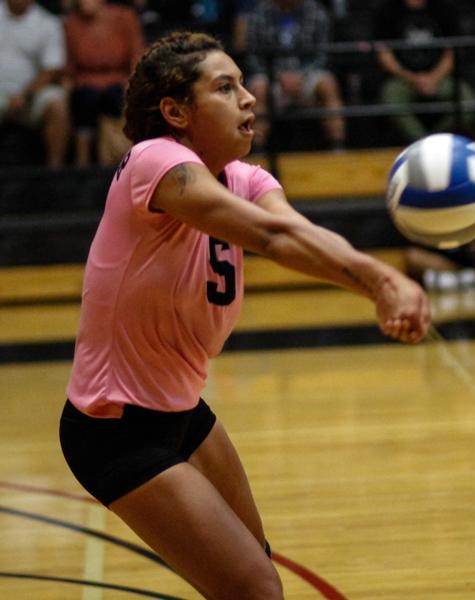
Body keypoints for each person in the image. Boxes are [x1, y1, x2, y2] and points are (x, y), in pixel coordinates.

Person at [59, 31, 429, 599]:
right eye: (225, 88)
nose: (249, 98)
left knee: (251, 574)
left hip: (183, 411)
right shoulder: (156, 162)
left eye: (243, 84)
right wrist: (381, 279)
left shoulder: (246, 178)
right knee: (257, 591)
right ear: (176, 112)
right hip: (115, 429)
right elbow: (270, 236)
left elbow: (296, 235)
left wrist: (377, 285)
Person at [243, 0, 347, 151]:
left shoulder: (317, 11)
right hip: (271, 77)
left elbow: (322, 54)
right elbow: (252, 55)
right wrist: (277, 76)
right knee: (258, 90)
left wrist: (301, 75)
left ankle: (338, 146)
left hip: (307, 75)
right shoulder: (260, 12)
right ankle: (258, 151)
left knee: (328, 84)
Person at [373, 0, 475, 143]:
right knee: (392, 97)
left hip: (440, 77)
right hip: (402, 79)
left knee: (467, 100)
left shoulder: (444, 8)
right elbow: (383, 54)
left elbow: (452, 51)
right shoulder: (387, 10)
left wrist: (434, 78)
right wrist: (411, 78)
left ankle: (438, 140)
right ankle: (421, 142)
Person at [64, 0, 145, 166]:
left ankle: (115, 162)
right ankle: (82, 163)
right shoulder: (71, 23)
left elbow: (136, 57)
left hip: (119, 81)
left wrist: (132, 84)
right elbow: (69, 65)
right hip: (85, 83)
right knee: (84, 99)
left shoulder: (125, 18)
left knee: (114, 98)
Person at [0, 0, 69, 167]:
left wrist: (25, 95)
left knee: (57, 105)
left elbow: (52, 68)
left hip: (30, 95)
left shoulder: (48, 23)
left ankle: (54, 175)